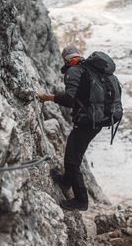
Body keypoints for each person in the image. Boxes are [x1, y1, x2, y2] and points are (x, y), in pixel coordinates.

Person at [37, 45, 102, 211]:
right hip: (95, 120)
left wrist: (48, 97)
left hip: (87, 122)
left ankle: (81, 201)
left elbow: (70, 99)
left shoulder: (74, 70)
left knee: (72, 160)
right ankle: (66, 181)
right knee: (73, 153)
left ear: (65, 59)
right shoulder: (88, 69)